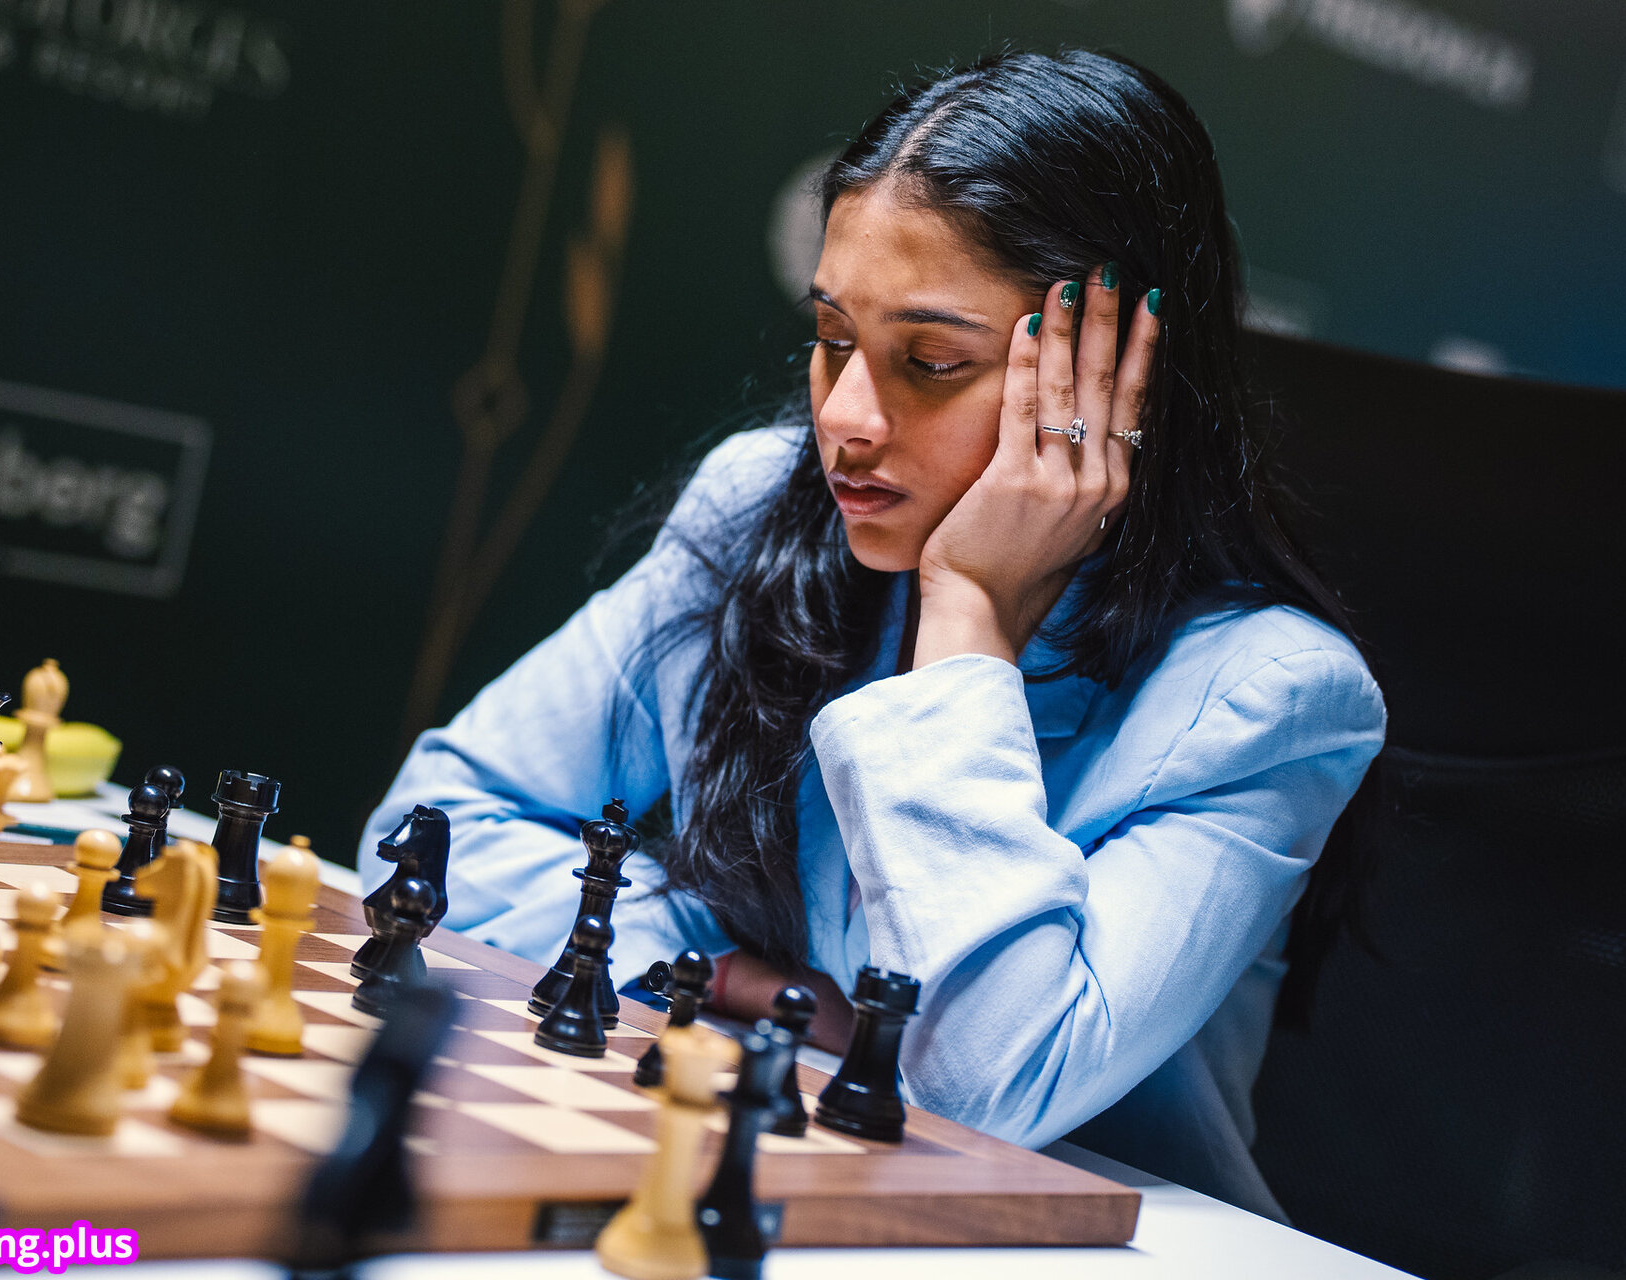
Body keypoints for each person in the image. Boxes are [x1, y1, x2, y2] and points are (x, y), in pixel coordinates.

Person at [361, 48, 1385, 1220]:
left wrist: (969, 609)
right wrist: (736, 975)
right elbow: (430, 826)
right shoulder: (758, 507)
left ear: (1113, 383)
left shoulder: (1271, 697)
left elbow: (986, 1083)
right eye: (833, 337)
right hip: (761, 1190)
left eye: (932, 361)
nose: (844, 419)